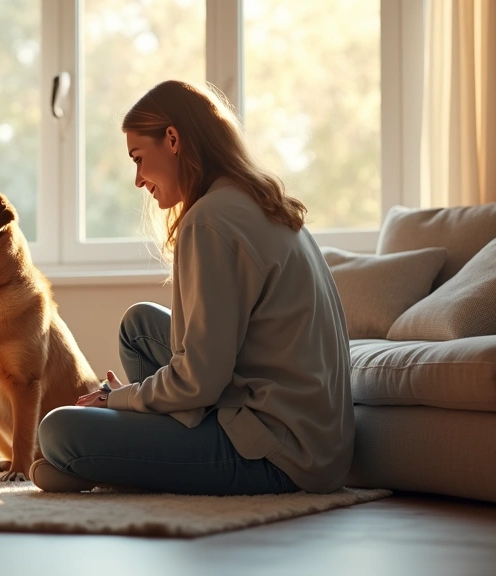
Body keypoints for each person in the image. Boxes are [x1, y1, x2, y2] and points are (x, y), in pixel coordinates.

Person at [29, 80, 353, 495]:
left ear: (173, 138)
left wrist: (119, 400)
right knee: (139, 326)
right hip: (314, 440)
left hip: (278, 453)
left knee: (58, 430)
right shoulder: (255, 200)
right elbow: (210, 365)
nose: (138, 179)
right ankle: (123, 460)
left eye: (139, 158)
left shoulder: (210, 220)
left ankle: (114, 463)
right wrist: (131, 398)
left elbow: (199, 381)